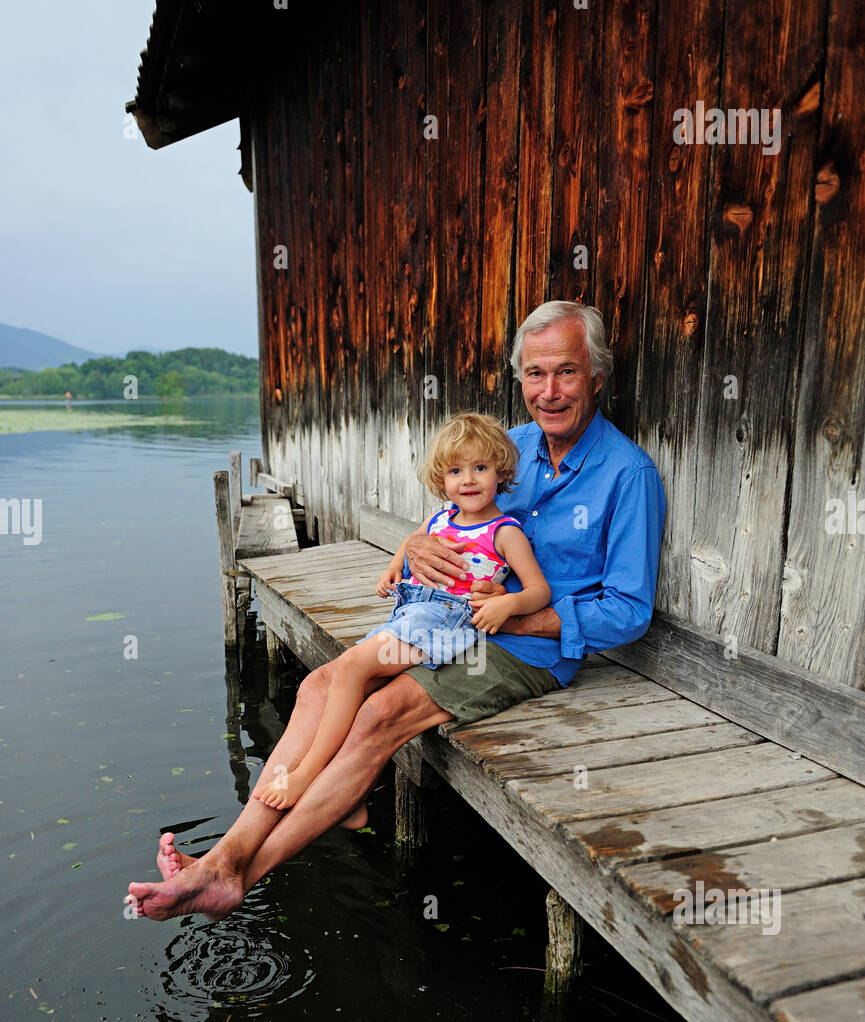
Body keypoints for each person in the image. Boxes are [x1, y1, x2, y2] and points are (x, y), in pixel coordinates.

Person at [127, 301, 665, 921]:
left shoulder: (629, 474)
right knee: (321, 684)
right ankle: (229, 853)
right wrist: (413, 545)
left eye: (566, 372)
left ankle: (238, 875)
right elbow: (453, 520)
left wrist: (513, 618)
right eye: (535, 374)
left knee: (377, 712)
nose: (549, 391)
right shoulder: (505, 448)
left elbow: (628, 613)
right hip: (444, 623)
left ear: (597, 376)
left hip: (528, 647)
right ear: (519, 380)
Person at [252, 412, 550, 811]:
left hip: (449, 622)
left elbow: (539, 590)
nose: (469, 480)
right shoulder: (441, 519)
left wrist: (508, 603)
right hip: (413, 612)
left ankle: (306, 776)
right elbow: (408, 547)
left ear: (501, 472)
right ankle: (349, 795)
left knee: (352, 668)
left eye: (481, 468)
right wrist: (392, 570)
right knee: (355, 676)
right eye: (456, 470)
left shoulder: (504, 532)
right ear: (441, 479)